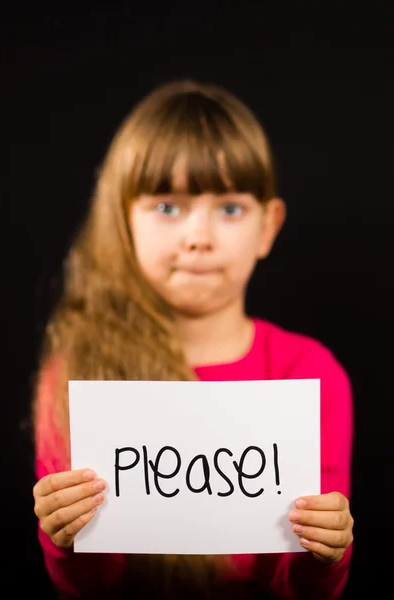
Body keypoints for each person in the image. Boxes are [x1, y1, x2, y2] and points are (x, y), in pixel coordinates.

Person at [32, 79, 354, 600]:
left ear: (268, 227)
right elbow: (89, 588)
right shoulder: (76, 374)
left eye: (230, 208)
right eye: (167, 207)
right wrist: (65, 539)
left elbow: (301, 588)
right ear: (124, 221)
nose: (198, 237)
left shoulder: (309, 374)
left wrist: (326, 553)